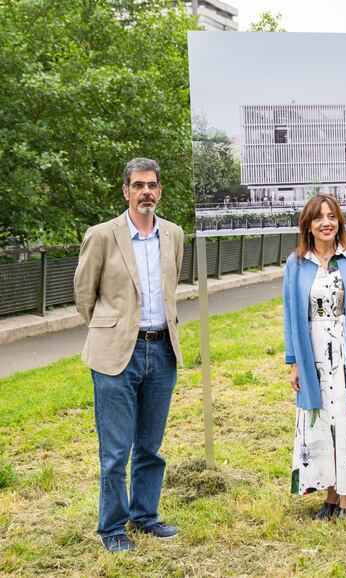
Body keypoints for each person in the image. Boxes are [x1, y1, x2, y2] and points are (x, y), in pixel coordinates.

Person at [74, 158, 184, 552]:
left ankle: (145, 517)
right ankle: (112, 529)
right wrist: (113, 331)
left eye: (152, 186)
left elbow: (172, 288)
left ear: (160, 191)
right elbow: (84, 296)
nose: (146, 193)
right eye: (138, 186)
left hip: (162, 351)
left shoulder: (173, 234)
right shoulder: (102, 235)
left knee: (150, 446)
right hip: (116, 356)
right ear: (125, 191)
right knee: (116, 451)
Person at [283, 194, 346, 520]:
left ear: (339, 222)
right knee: (320, 420)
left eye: (332, 217)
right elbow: (290, 315)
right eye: (318, 217)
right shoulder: (296, 264)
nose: (326, 223)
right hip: (313, 355)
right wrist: (294, 361)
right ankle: (328, 496)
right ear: (308, 225)